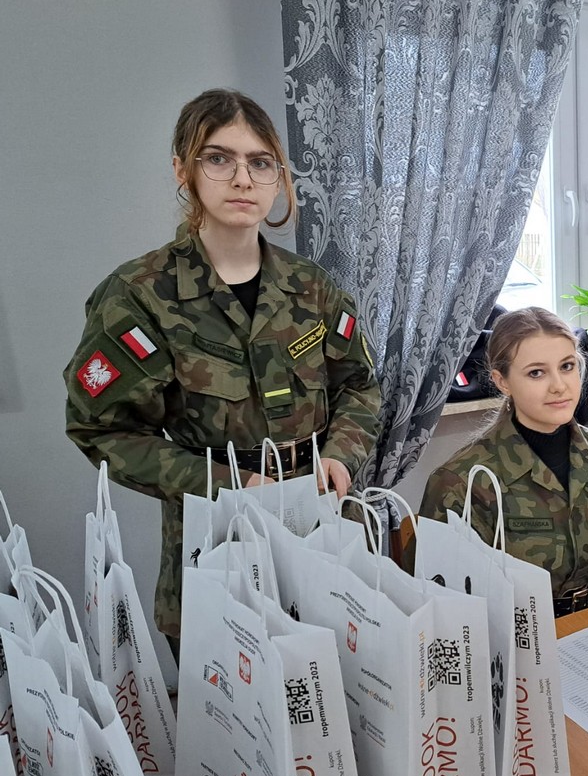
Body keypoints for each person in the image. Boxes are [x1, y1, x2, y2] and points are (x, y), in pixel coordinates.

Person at [64, 88, 381, 644]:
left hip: (323, 522)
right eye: (218, 159)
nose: (242, 179)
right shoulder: (140, 294)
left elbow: (358, 385)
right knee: (231, 686)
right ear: (182, 171)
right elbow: (101, 428)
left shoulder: (311, 287)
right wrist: (225, 485)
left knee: (342, 675)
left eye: (260, 163)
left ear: (278, 178)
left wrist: (341, 454)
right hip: (217, 535)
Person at [421, 307, 588, 616]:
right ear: (502, 381)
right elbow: (450, 605)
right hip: (515, 637)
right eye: (536, 373)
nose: (559, 385)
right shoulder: (462, 483)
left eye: (567, 366)